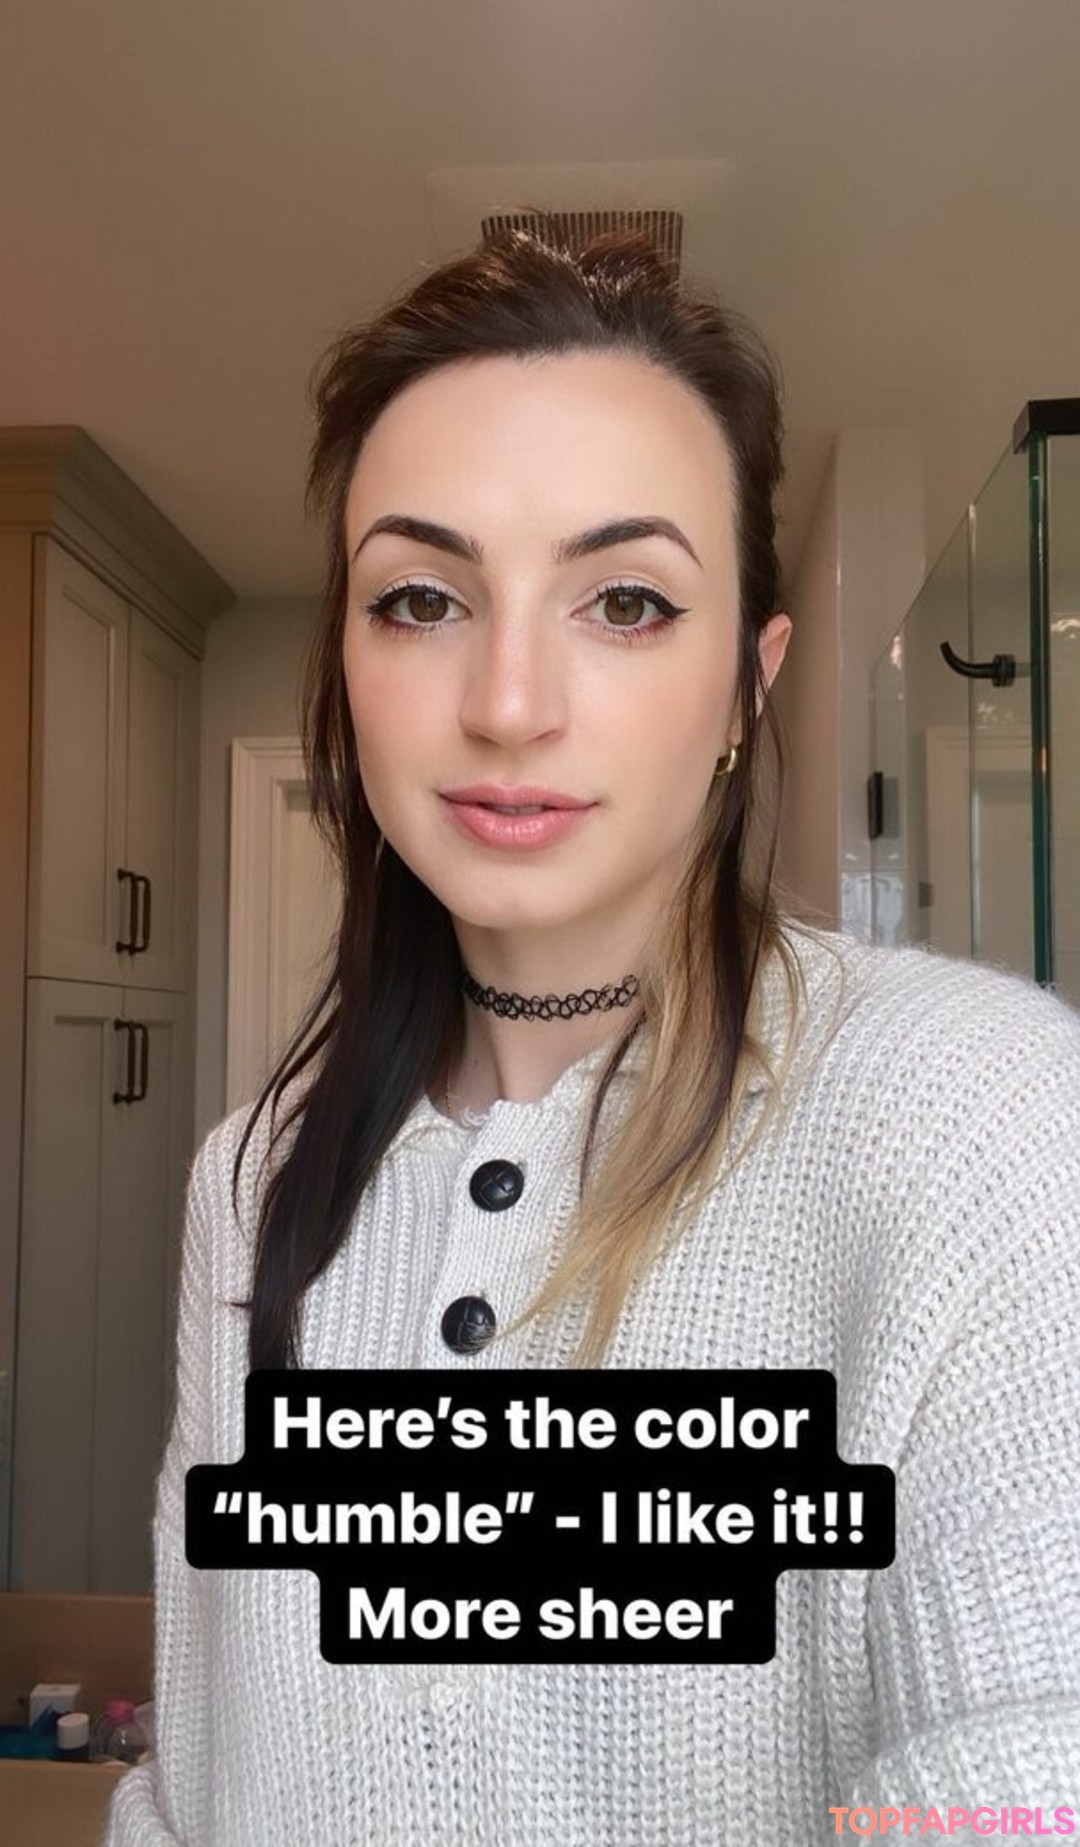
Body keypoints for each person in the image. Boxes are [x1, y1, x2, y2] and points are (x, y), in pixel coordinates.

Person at [105, 225, 1080, 1846]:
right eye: (420, 599)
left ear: (749, 682)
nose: (508, 702)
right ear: (345, 665)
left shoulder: (975, 1114)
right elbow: (188, 1794)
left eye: (626, 601)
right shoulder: (250, 1183)